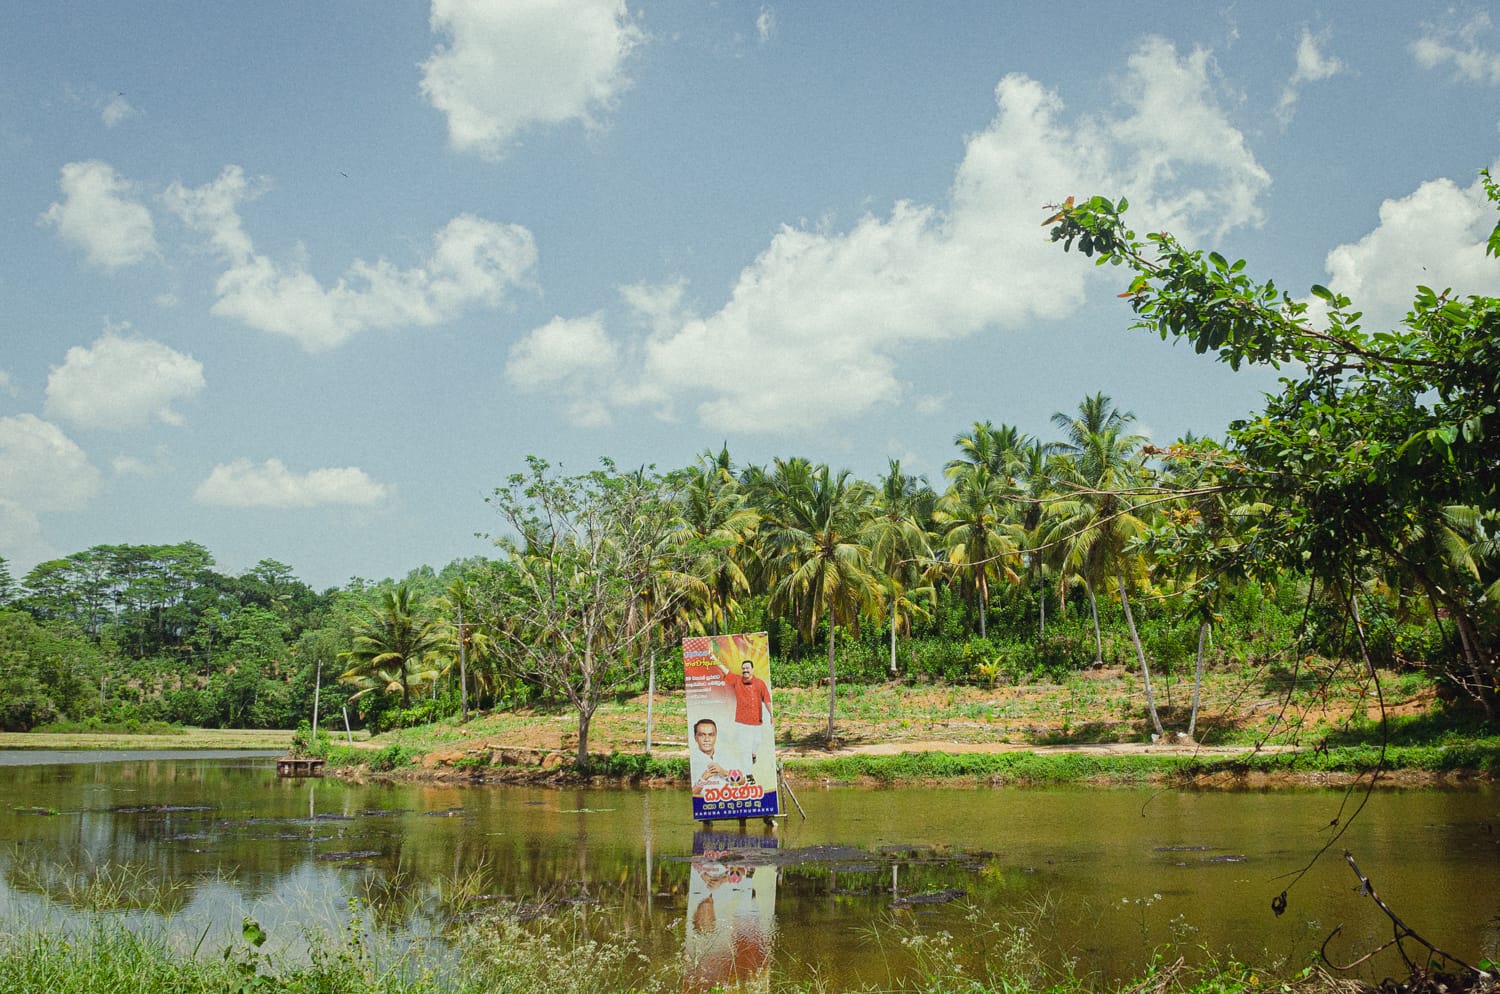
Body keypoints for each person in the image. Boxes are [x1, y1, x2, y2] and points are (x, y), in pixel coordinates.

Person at [723, 659, 772, 779]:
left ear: (752, 669)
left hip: (757, 721)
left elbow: (767, 700)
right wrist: (713, 658)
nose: (745, 670)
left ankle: (753, 754)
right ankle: (748, 774)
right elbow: (725, 671)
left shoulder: (760, 683)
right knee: (745, 748)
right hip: (742, 722)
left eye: (747, 668)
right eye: (743, 668)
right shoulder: (737, 680)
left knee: (757, 741)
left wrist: (772, 715)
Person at [691, 718, 739, 795]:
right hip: (706, 801)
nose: (707, 739)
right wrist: (703, 780)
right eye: (702, 735)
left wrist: (724, 772)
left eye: (711, 735)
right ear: (695, 737)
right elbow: (690, 795)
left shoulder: (727, 756)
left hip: (730, 799)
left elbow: (742, 781)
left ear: (715, 737)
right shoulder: (691, 761)